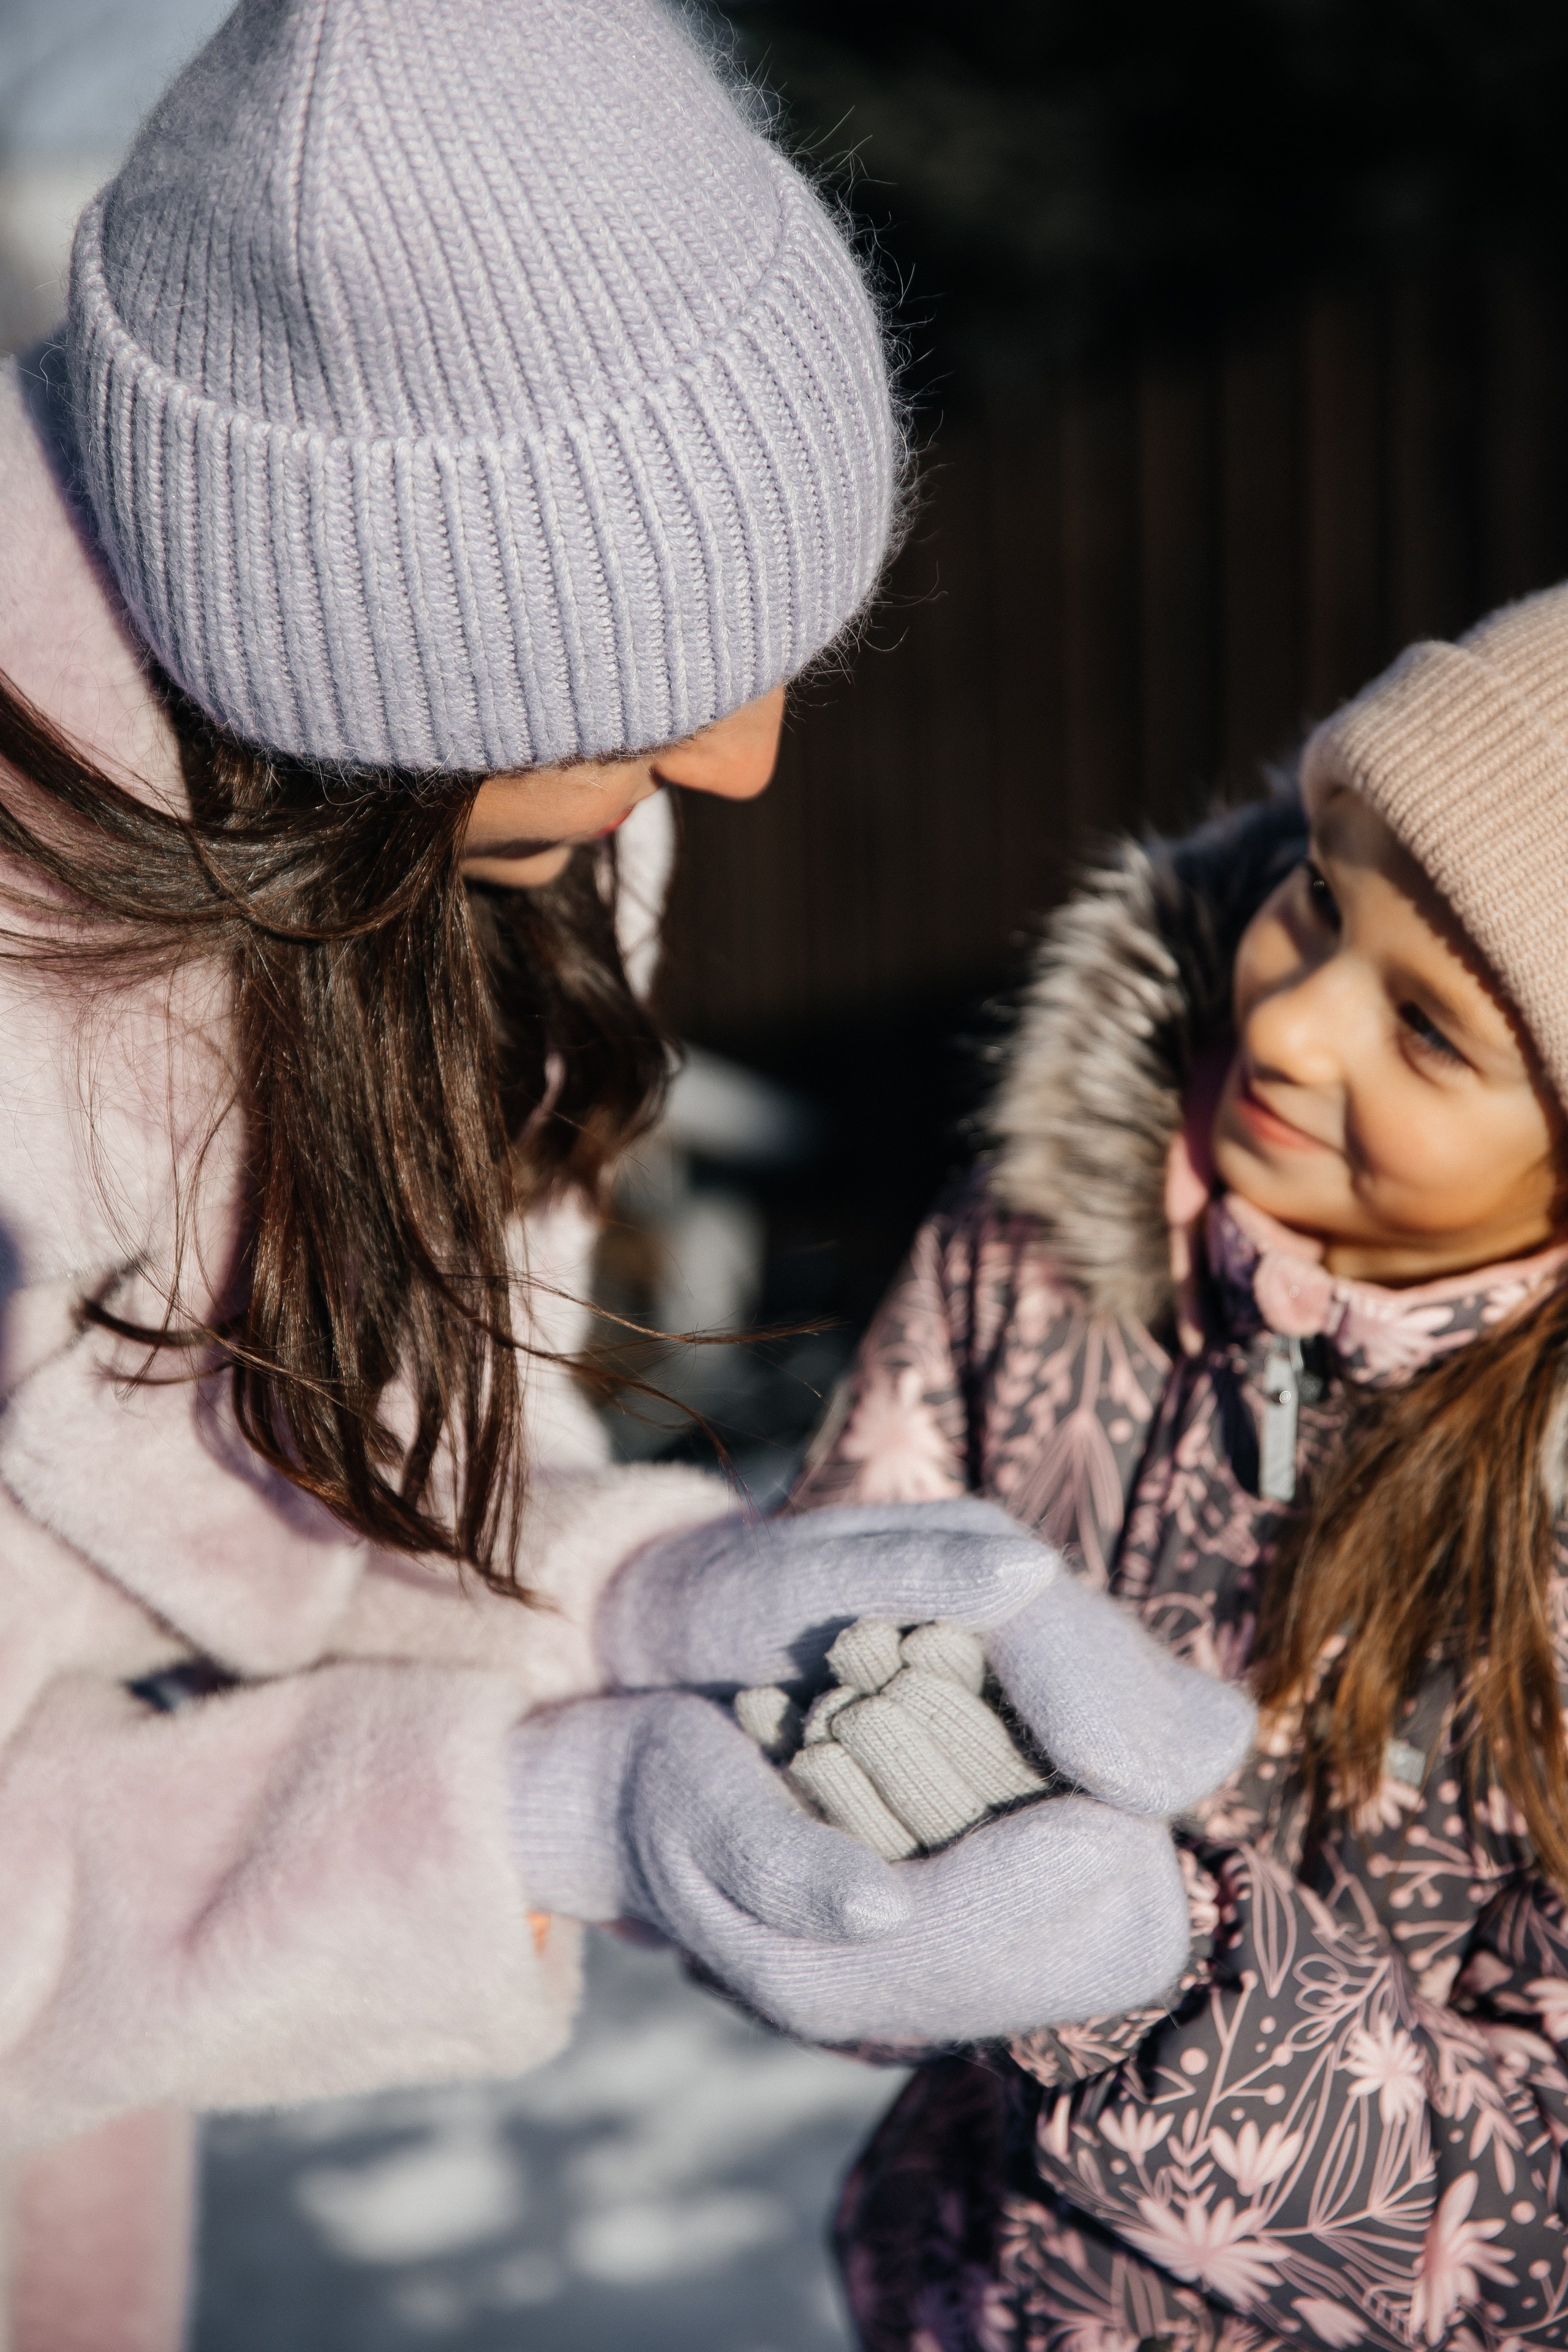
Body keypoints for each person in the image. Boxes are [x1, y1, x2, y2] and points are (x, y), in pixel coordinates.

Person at [0, 1, 1252, 2343]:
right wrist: (546, 1817)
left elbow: (342, 1473)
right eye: (627, 678)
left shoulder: (469, 849)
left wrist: (672, 1620)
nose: (747, 757)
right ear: (341, 660)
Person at [804, 586, 1568, 2351]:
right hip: (958, 2293)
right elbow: (822, 1648)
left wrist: (1132, 1961)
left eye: (1434, 1030)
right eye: (1317, 891)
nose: (1293, 1029)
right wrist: (848, 1870)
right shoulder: (1042, 1254)